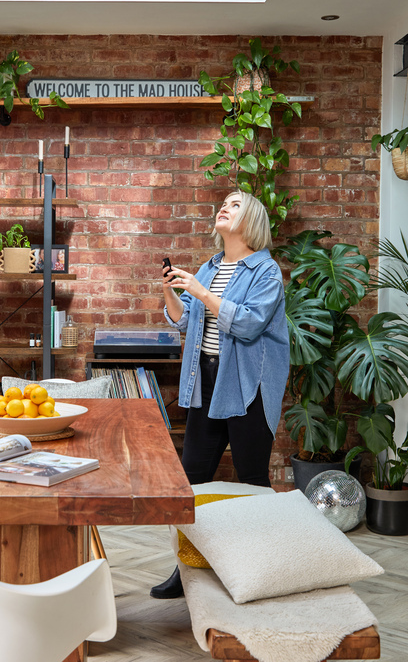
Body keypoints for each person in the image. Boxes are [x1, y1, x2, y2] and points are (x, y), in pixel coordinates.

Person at [149, 190, 290, 599]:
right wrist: (171, 291)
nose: (223, 208)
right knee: (192, 484)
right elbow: (185, 322)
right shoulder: (208, 268)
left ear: (251, 221)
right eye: (223, 204)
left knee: (252, 482)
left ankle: (259, 572)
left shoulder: (265, 272)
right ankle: (185, 570)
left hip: (248, 386)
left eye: (234, 204)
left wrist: (200, 291)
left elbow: (246, 325)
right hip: (205, 383)